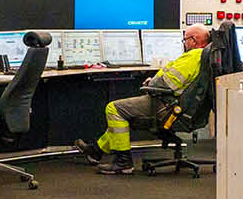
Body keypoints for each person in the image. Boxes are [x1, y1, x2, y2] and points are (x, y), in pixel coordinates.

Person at [74, 23, 209, 173]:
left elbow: (169, 82)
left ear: (194, 40)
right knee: (125, 117)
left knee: (114, 109)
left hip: (167, 107)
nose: (184, 44)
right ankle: (96, 151)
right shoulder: (206, 57)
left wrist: (151, 83)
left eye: (185, 40)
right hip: (183, 108)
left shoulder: (194, 56)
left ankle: (123, 162)